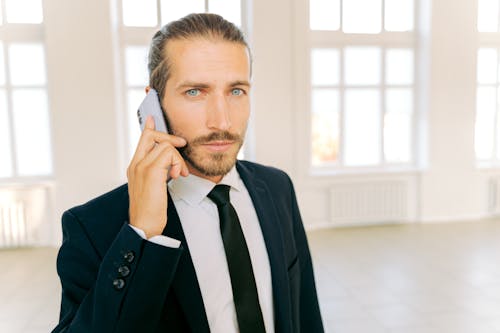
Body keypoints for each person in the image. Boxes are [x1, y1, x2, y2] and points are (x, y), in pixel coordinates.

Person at [53, 13, 324, 333]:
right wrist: (142, 235)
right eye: (195, 91)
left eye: (236, 91)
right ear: (153, 104)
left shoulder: (277, 187)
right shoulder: (93, 226)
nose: (222, 121)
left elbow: (305, 315)